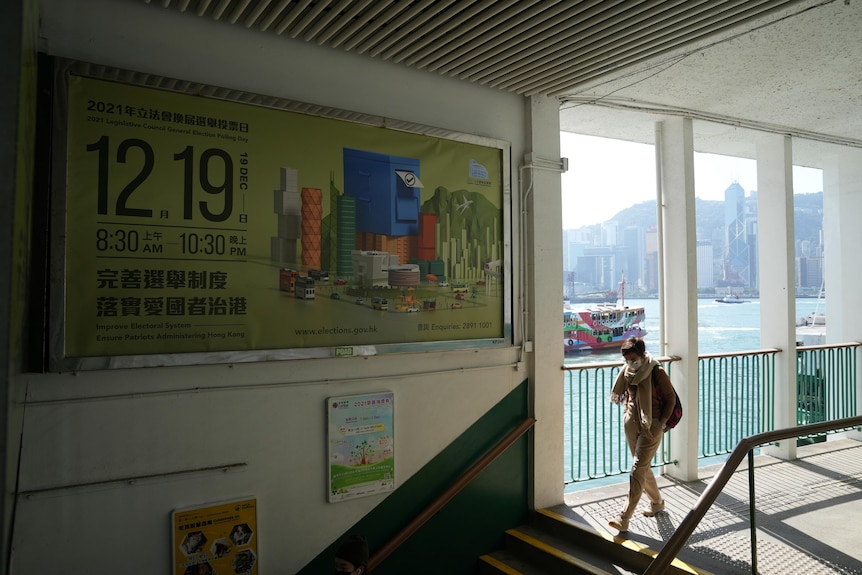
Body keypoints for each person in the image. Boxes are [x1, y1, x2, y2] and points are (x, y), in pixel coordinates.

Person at [607, 337, 675, 532]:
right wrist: (627, 415)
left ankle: (624, 517)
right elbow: (625, 396)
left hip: (651, 425)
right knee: (643, 468)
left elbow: (670, 399)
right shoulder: (627, 371)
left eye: (633, 359)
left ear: (642, 354)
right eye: (627, 359)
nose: (630, 363)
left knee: (637, 469)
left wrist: (661, 424)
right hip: (631, 423)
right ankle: (657, 502)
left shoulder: (656, 370)